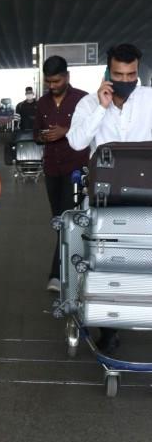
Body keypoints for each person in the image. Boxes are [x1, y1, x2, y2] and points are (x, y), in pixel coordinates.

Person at [68, 42, 152, 354]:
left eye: (131, 75)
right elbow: (77, 142)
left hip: (146, 196)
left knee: (143, 259)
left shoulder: (149, 100)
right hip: (106, 201)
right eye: (119, 75)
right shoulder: (90, 104)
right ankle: (109, 326)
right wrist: (102, 108)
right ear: (107, 72)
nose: (126, 81)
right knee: (105, 262)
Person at [33, 56, 88, 292]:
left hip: (75, 168)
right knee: (59, 221)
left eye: (56, 81)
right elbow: (35, 133)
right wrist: (42, 136)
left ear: (67, 77)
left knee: (68, 218)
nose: (52, 86)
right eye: (48, 82)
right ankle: (73, 267)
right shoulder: (42, 103)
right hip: (52, 169)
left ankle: (58, 275)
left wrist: (66, 131)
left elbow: (89, 131)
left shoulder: (83, 100)